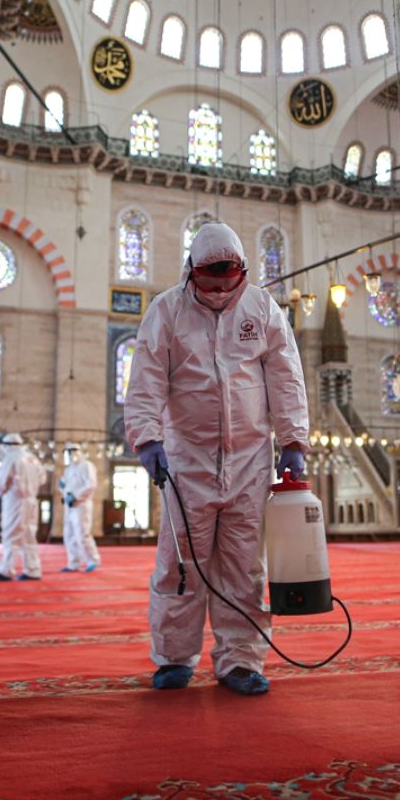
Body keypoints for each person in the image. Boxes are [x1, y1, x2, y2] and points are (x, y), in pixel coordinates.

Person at [125, 222, 310, 696]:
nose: (220, 292)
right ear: (192, 272)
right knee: (181, 564)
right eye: (210, 282)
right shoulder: (166, 310)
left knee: (243, 566)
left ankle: (241, 661)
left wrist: (293, 441)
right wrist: (147, 440)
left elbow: (286, 376)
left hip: (250, 461)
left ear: (242, 272)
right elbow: (146, 378)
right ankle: (172, 657)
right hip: (186, 460)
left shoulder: (262, 307)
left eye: (230, 282)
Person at [0, 433, 46, 581]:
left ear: (7, 446)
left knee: (11, 535)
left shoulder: (11, 458)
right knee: (29, 536)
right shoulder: (33, 459)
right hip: (31, 501)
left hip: (15, 501)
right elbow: (42, 479)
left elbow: (2, 483)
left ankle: (6, 570)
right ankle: (33, 570)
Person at [58, 442, 101, 572]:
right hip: (69, 505)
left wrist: (76, 496)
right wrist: (64, 492)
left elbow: (91, 484)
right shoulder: (69, 469)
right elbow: (65, 485)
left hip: (81, 504)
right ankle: (73, 563)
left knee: (82, 534)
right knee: (69, 534)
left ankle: (92, 560)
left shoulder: (86, 465)